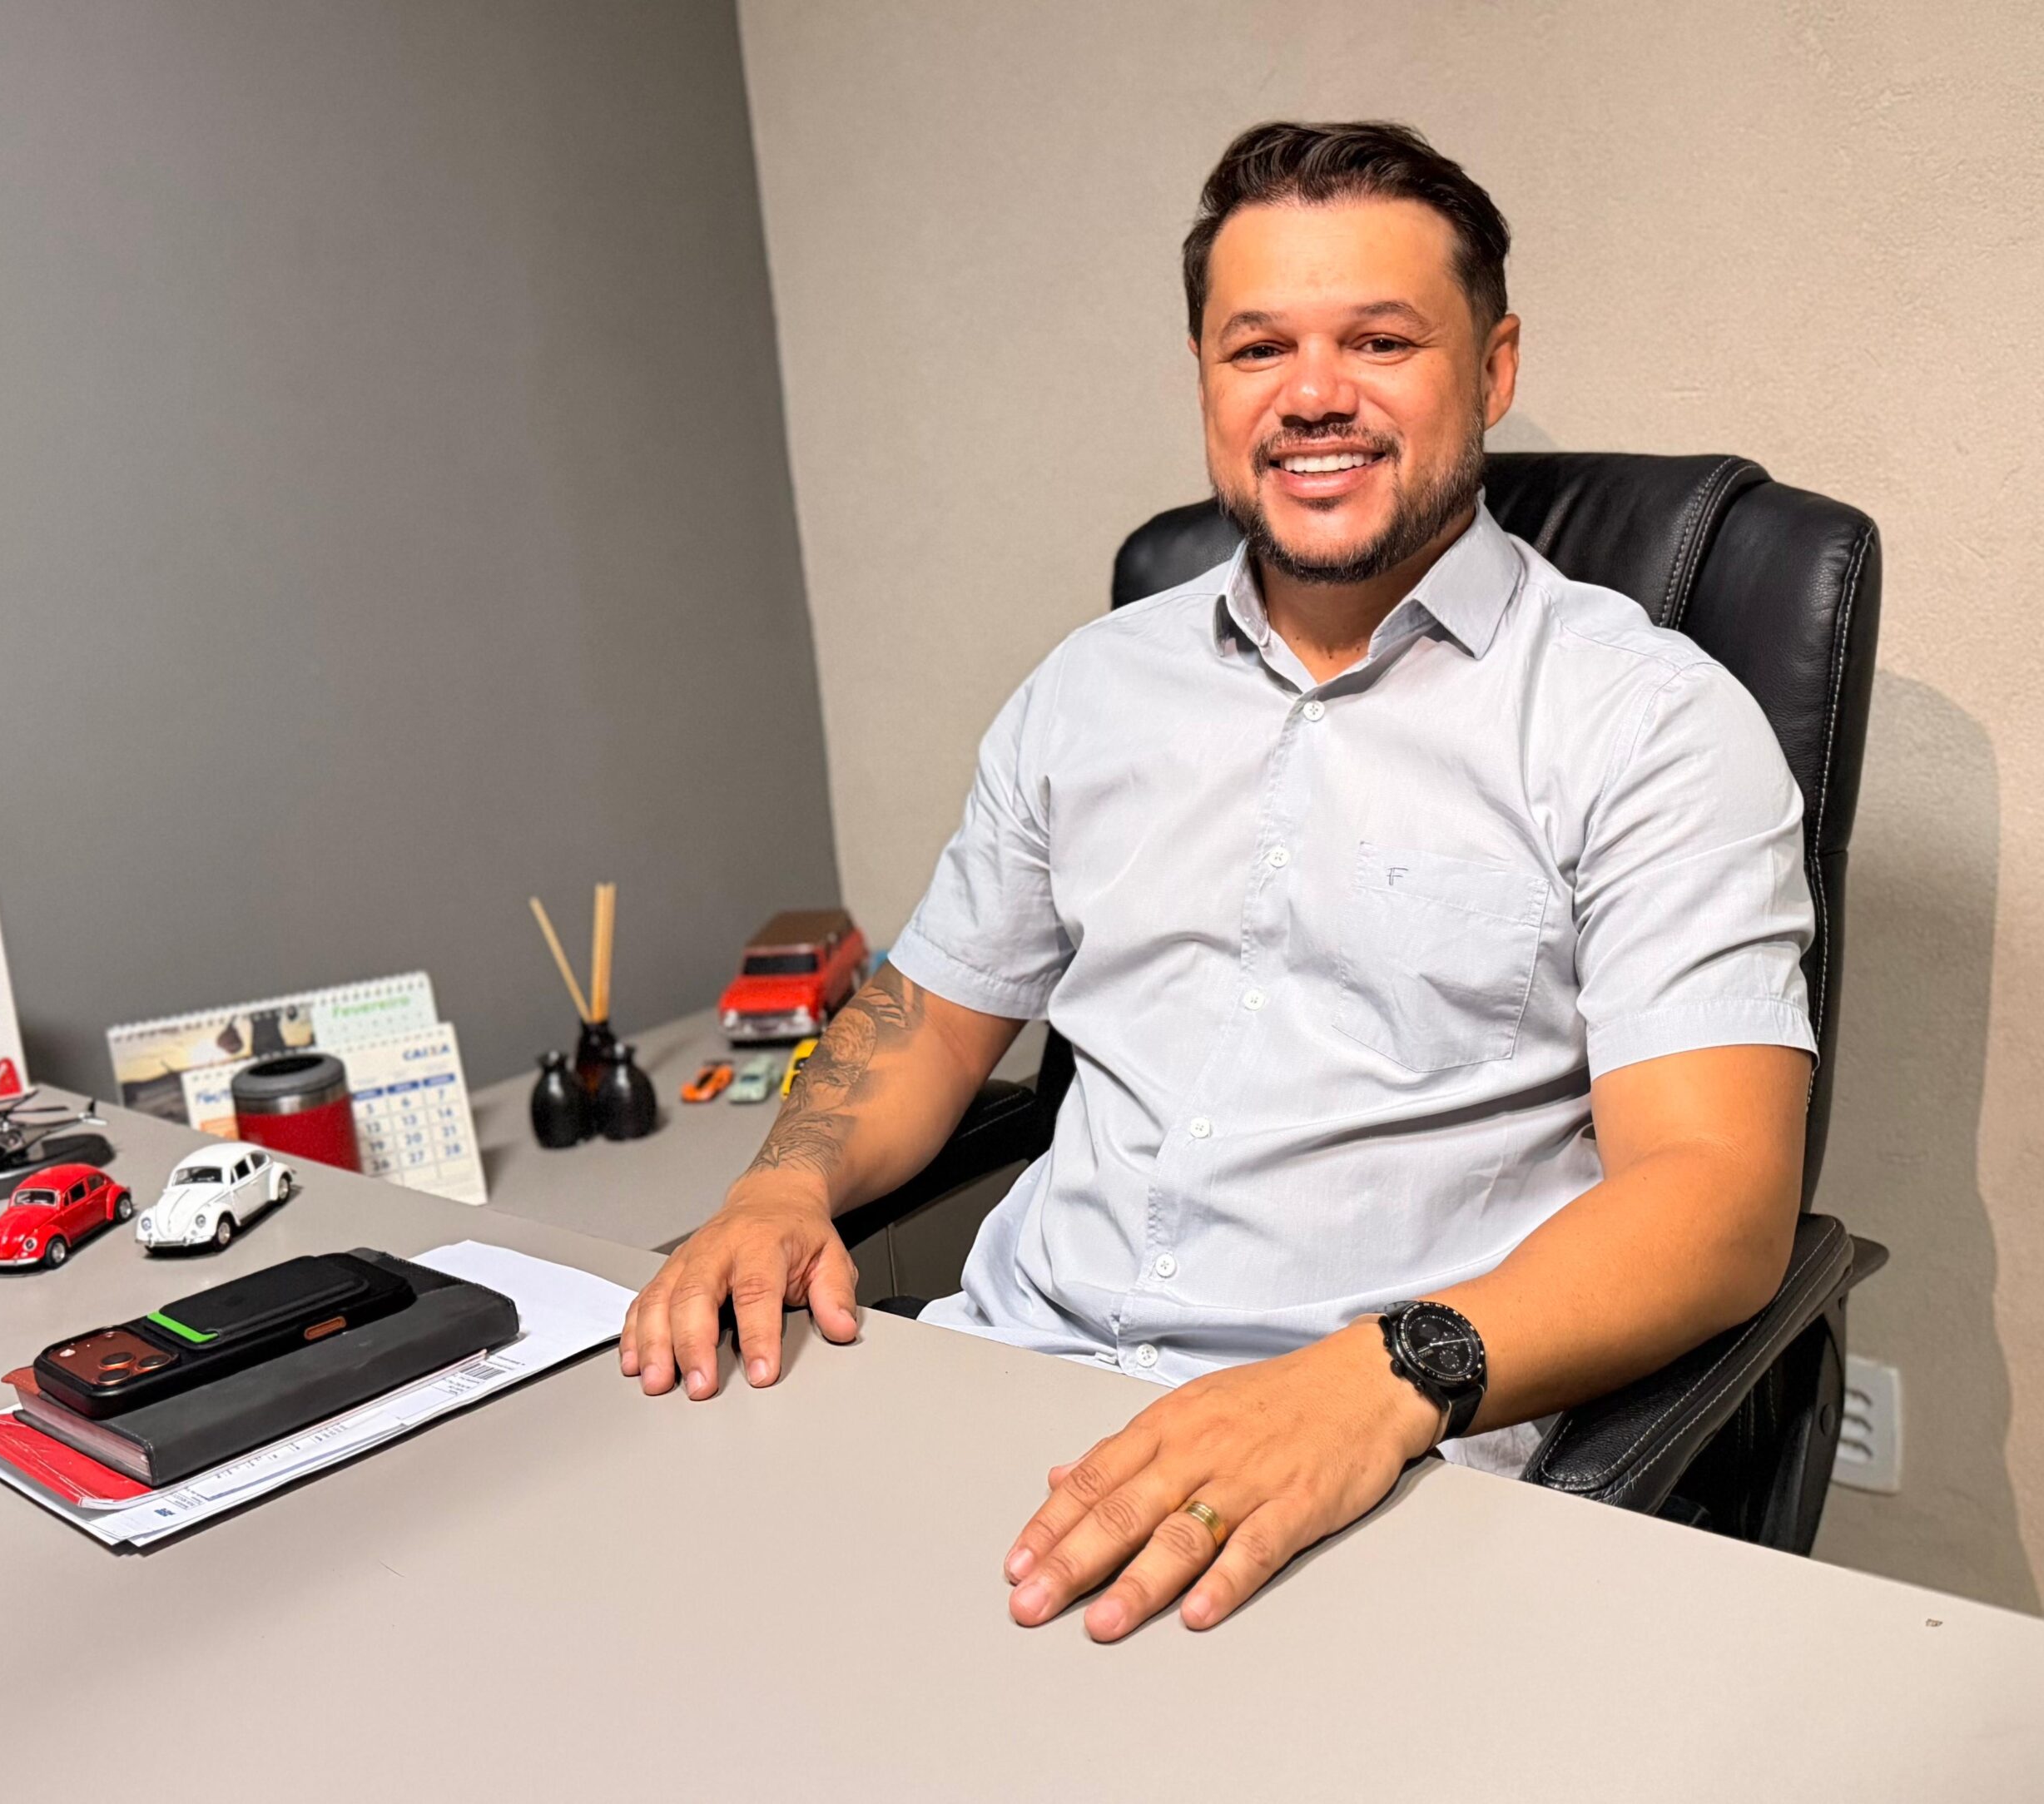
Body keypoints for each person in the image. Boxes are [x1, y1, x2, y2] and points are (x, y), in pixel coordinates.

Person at [619, 121, 1816, 1642]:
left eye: (1380, 340)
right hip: (998, 1391)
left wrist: (1378, 1381)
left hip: (1364, 1462)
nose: (1313, 395)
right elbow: (927, 1015)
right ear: (1205, 377)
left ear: (1495, 367)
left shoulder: (1645, 725)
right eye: (1260, 348)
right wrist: (781, 1184)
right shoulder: (1090, 689)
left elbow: (1715, 1198)